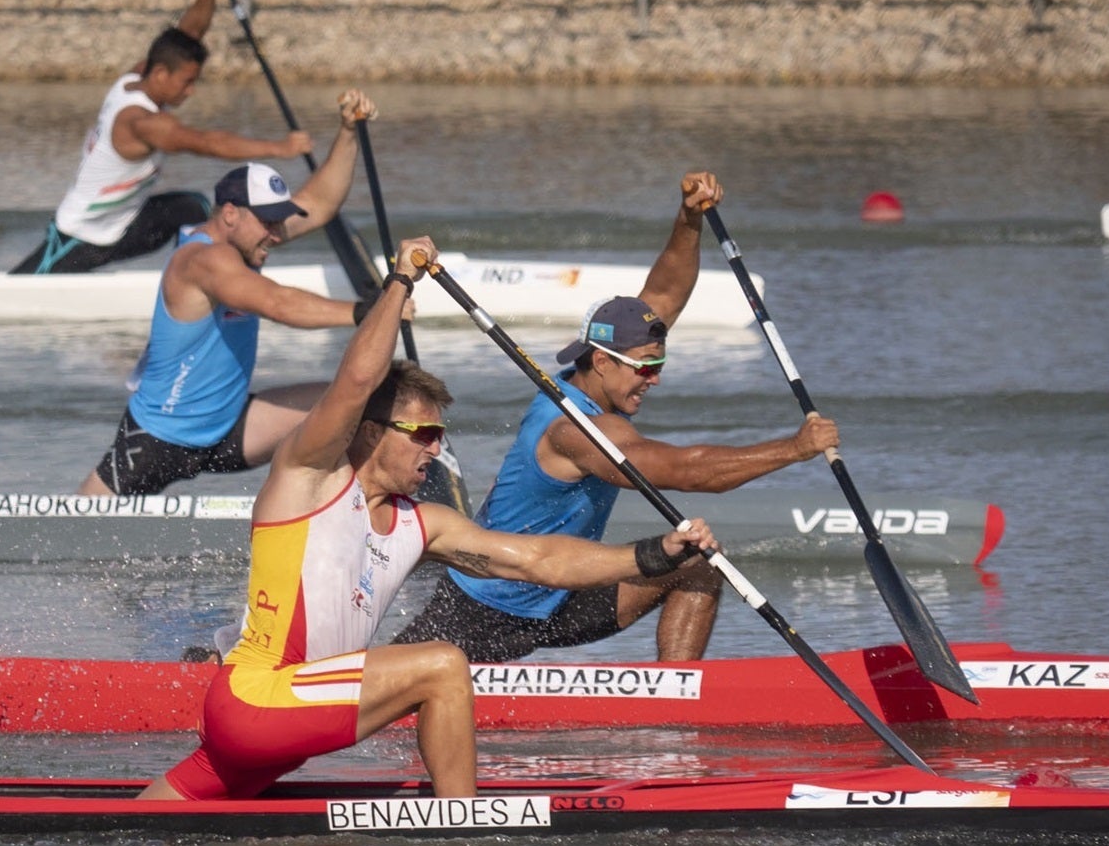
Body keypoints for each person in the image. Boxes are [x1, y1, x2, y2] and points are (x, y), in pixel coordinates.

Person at [137, 238, 718, 802]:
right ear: (371, 433)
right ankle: (464, 836)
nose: (436, 451)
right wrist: (400, 282)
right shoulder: (308, 481)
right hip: (258, 700)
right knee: (443, 665)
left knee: (142, 830)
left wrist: (654, 554)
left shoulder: (424, 523)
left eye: (442, 435)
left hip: (284, 728)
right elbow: (357, 382)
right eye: (424, 434)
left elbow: (541, 559)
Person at [392, 171, 839, 664]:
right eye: (645, 369)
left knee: (699, 565)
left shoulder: (603, 371)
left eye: (659, 365)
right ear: (601, 361)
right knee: (386, 693)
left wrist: (689, 217)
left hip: (565, 594)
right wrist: (794, 449)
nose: (655, 379)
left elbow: (665, 294)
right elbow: (690, 472)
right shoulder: (573, 429)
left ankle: (677, 700)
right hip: (485, 607)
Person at [77, 89, 393, 497]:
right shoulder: (201, 262)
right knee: (74, 535)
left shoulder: (250, 239)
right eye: (268, 223)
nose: (276, 234)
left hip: (230, 428)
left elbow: (319, 201)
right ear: (230, 214)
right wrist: (369, 312)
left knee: (357, 400)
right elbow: (278, 303)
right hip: (158, 439)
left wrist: (349, 131)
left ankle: (333, 512)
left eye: (279, 222)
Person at [11, 0, 315, 275]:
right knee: (18, 288)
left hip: (127, 225)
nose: (191, 91)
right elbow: (208, 143)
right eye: (187, 83)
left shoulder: (135, 78)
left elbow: (189, 35)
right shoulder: (142, 124)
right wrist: (281, 148)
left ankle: (196, 277)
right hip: (81, 237)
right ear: (160, 75)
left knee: (194, 207)